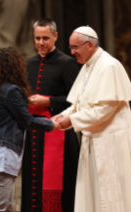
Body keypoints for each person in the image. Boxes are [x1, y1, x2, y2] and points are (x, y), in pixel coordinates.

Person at [53, 26, 131, 212]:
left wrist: (72, 121)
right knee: (94, 195)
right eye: (70, 47)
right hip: (94, 139)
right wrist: (64, 115)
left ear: (89, 45)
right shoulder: (88, 66)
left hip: (111, 142)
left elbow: (104, 109)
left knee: (113, 196)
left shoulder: (109, 66)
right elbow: (79, 102)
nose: (72, 52)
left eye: (75, 47)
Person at [0, 47, 60, 212]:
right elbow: (26, 121)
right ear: (14, 66)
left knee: (5, 208)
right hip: (1, 152)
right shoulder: (11, 90)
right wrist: (52, 124)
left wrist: (47, 120)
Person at [21, 18, 80, 212]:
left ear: (55, 36)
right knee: (32, 182)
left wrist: (48, 102)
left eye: (45, 38)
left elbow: (77, 100)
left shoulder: (67, 63)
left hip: (59, 131)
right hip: (34, 134)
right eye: (37, 38)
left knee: (63, 185)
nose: (40, 42)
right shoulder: (28, 64)